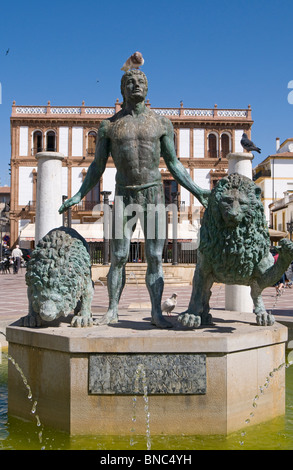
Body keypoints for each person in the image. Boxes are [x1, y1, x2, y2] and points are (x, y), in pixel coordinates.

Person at [59, 69, 210, 328]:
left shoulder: (161, 123)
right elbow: (97, 166)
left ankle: (156, 312)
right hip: (123, 193)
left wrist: (197, 190)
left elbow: (173, 163)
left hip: (153, 192)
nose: (135, 85)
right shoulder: (109, 125)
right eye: (129, 82)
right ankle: (113, 310)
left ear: (147, 88)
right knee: (117, 255)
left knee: (154, 256)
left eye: (140, 82)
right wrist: (79, 195)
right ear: (122, 89)